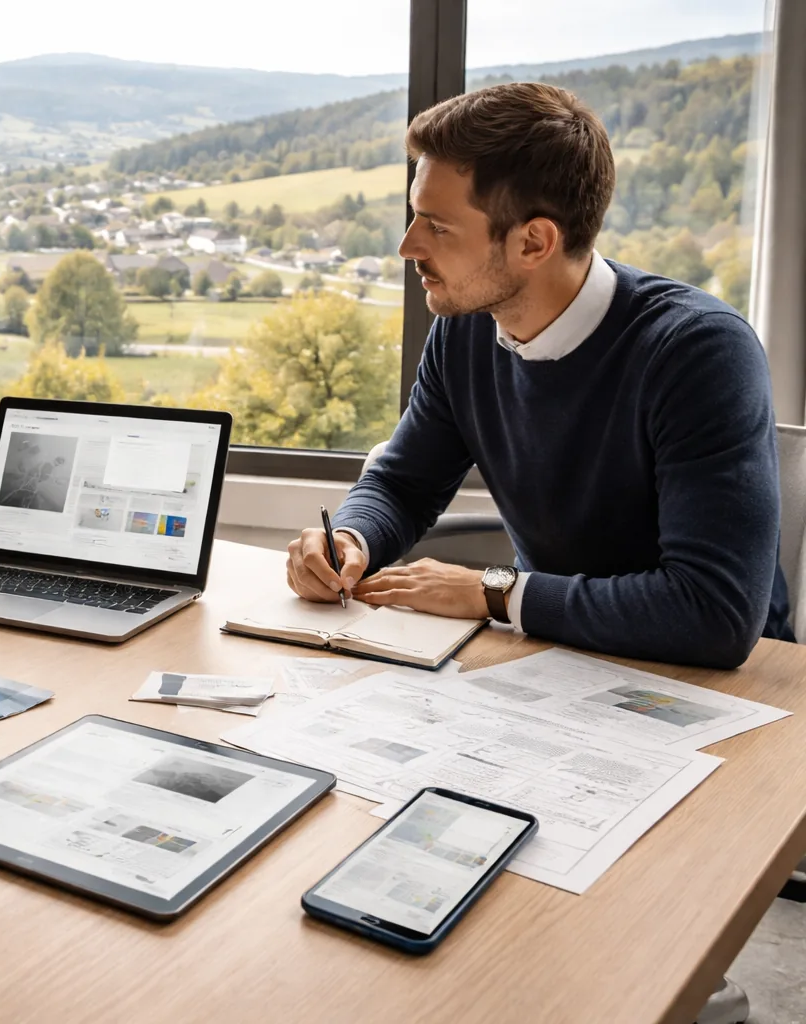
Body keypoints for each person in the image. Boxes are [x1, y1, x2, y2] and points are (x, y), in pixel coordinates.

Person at [286, 82, 792, 670]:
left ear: (534, 242)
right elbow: (403, 484)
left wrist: (491, 591)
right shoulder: (466, 327)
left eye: (437, 226)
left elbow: (713, 614)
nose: (407, 246)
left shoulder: (698, 351)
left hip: (721, 682)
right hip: (552, 655)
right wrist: (351, 540)